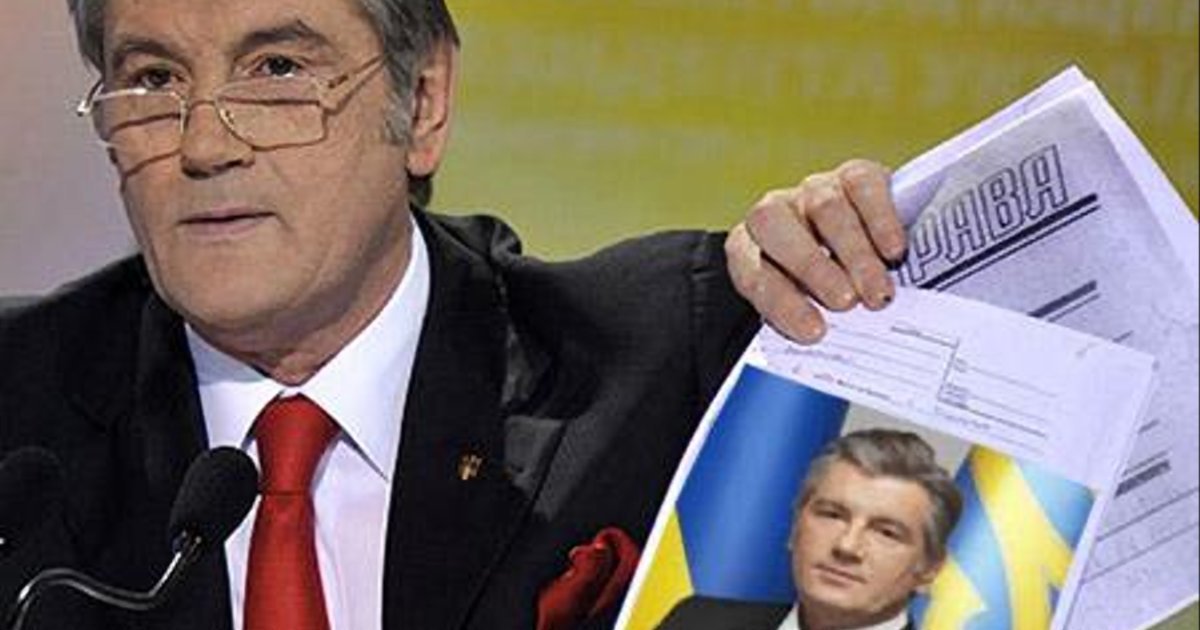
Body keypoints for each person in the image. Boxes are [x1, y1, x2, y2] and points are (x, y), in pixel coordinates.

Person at [0, 1, 907, 629]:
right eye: (153, 78)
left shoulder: (671, 355)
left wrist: (855, 252)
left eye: (276, 68)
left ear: (424, 101)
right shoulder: (16, 414)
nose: (203, 145)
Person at [659, 430, 962, 630]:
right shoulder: (695, 621)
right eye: (832, 515)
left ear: (929, 569)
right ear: (795, 527)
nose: (847, 546)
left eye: (886, 533)